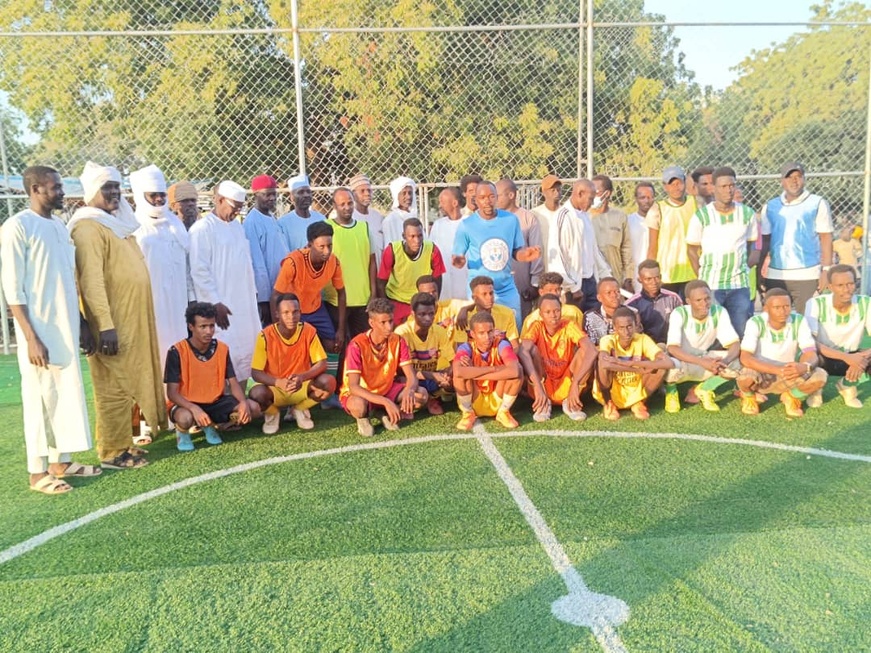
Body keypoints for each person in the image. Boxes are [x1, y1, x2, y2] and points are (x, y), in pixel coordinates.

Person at [1, 165, 101, 494]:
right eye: (55, 187)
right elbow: (12, 288)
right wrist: (30, 338)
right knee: (39, 398)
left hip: (66, 326)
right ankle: (36, 472)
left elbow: (67, 280)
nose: (60, 192)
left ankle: (62, 461)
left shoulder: (58, 226)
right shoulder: (17, 227)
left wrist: (82, 322)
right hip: (39, 331)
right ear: (35, 190)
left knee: (66, 394)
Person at [68, 161, 167, 469]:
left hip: (133, 319)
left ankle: (125, 443)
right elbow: (91, 281)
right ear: (91, 193)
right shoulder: (87, 227)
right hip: (112, 323)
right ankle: (112, 451)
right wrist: (105, 326)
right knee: (112, 386)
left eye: (115, 186)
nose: (113, 192)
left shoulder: (117, 223)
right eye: (106, 188)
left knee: (128, 383)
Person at [189, 180, 261, 387]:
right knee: (225, 350)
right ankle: (225, 408)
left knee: (247, 351)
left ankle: (240, 406)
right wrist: (214, 303)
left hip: (244, 304)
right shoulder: (202, 229)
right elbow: (199, 271)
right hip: (221, 306)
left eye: (240, 208)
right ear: (219, 200)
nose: (237, 212)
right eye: (234, 207)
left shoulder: (237, 227)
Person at [165, 302, 259, 451]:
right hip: (186, 403)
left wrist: (242, 402)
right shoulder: (176, 351)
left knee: (253, 408)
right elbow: (171, 392)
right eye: (203, 326)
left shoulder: (222, 348)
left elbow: (233, 382)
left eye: (211, 326)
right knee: (185, 419)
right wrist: (194, 408)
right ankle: (182, 432)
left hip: (214, 401)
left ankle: (212, 425)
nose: (209, 331)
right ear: (191, 327)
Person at [131, 164, 192, 379]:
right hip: (149, 306)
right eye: (153, 195)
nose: (159, 200)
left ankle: (177, 404)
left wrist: (191, 300)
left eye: (161, 195)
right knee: (153, 355)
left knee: (178, 351)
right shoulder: (133, 227)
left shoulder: (175, 225)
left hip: (177, 307)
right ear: (140, 196)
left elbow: (186, 268)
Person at [452, 181, 540, 328]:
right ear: (476, 200)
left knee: (512, 332)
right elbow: (458, 257)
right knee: (482, 333)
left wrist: (525, 255)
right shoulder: (467, 225)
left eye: (492, 196)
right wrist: (459, 261)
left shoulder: (510, 220)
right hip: (480, 292)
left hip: (506, 288)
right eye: (482, 197)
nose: (487, 201)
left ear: (496, 198)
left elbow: (516, 252)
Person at [249, 293, 336, 434]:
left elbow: (322, 363)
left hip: (301, 385)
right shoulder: (265, 335)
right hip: (275, 388)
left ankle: (299, 409)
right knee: (256, 394)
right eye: (286, 312)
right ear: (277, 314)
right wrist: (278, 382)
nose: (291, 316)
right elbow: (256, 372)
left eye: (295, 312)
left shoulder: (308, 331)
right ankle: (273, 413)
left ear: (300, 312)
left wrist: (302, 377)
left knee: (329, 382)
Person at [686, 166, 757, 339]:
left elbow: (752, 246)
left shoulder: (747, 214)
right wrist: (701, 277)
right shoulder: (702, 216)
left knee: (740, 331)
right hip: (712, 285)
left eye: (732, 185)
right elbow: (692, 250)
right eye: (723, 186)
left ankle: (739, 365)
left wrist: (743, 268)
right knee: (713, 333)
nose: (729, 190)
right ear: (714, 188)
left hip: (739, 285)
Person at [340, 298, 428, 437]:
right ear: (371, 323)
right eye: (383, 322)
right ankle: (364, 418)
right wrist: (385, 401)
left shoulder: (398, 340)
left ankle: (383, 412)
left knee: (421, 395)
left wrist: (409, 390)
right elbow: (353, 387)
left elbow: (411, 375)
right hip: (363, 394)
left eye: (391, 321)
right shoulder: (356, 345)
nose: (389, 327)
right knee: (358, 406)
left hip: (386, 389)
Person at [736, 288, 828, 417]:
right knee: (745, 377)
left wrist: (805, 366)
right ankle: (749, 397)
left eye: (786, 306)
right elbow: (745, 358)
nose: (783, 312)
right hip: (762, 373)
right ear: (766, 308)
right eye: (777, 307)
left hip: (789, 372)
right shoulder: (755, 322)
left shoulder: (799, 321)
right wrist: (777, 370)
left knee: (820, 376)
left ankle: (791, 396)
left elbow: (811, 353)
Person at [760, 162, 834, 313]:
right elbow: (765, 241)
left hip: (807, 275)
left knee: (809, 322)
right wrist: (760, 272)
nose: (794, 181)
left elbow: (826, 237)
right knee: (775, 322)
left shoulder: (817, 203)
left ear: (804, 179)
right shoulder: (771, 206)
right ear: (782, 181)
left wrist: (826, 270)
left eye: (798, 177)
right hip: (776, 274)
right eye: (789, 177)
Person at [664, 280, 742, 413]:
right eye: (698, 300)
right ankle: (671, 391)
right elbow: (672, 348)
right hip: (685, 362)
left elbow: (734, 344)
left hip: (704, 359)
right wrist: (702, 362)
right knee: (669, 364)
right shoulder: (679, 313)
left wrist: (724, 362)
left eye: (707, 299)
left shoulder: (719, 312)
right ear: (688, 301)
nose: (704, 304)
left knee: (738, 362)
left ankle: (705, 388)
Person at [519, 294, 596, 422]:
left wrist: (575, 384)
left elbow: (592, 350)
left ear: (561, 310)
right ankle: (543, 403)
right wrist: (537, 386)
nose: (553, 315)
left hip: (568, 381)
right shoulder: (537, 326)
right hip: (544, 381)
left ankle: (570, 403)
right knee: (530, 349)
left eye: (556, 311)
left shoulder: (569, 325)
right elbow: (522, 351)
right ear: (541, 314)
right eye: (548, 312)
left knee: (585, 351)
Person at [804, 264, 871, 408]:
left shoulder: (866, 302)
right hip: (823, 356)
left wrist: (862, 357)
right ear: (830, 287)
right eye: (840, 285)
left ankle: (847, 385)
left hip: (852, 355)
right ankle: (815, 390)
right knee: (810, 357)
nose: (847, 289)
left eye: (850, 284)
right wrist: (847, 358)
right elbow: (811, 343)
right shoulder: (816, 303)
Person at [594, 306, 672, 421]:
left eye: (630, 326)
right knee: (601, 365)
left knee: (660, 367)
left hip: (636, 388)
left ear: (636, 325)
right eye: (621, 328)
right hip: (613, 391)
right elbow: (604, 364)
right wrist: (638, 369)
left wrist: (622, 363)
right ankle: (608, 403)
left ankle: (639, 402)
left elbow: (668, 363)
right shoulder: (608, 340)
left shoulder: (643, 339)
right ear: (615, 328)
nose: (626, 332)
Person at [453, 312, 524, 430]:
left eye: (490, 332)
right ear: (472, 334)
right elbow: (458, 372)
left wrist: (474, 372)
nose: (487, 337)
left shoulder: (502, 344)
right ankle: (467, 413)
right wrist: (494, 368)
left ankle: (504, 412)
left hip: (497, 396)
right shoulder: (466, 347)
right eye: (481, 333)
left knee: (519, 371)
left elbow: (515, 370)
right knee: (460, 377)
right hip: (474, 398)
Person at [326, 186, 377, 338]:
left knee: (362, 344)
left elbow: (372, 261)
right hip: (335, 299)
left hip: (362, 298)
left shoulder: (364, 228)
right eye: (342, 204)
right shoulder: (327, 227)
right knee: (339, 345)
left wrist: (373, 292)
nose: (347, 207)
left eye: (349, 203)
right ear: (335, 206)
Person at [394, 292, 455, 415]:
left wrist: (448, 374)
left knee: (455, 379)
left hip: (430, 376)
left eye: (431, 313)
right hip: (407, 378)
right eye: (422, 314)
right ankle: (420, 401)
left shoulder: (439, 331)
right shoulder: (402, 333)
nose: (428, 318)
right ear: (413, 314)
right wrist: (432, 375)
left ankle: (433, 398)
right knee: (418, 395)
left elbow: (453, 361)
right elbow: (399, 371)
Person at [377, 217, 447, 322]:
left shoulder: (432, 249)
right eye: (412, 236)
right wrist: (387, 307)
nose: (417, 241)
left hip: (421, 302)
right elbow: (381, 282)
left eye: (420, 236)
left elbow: (437, 278)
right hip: (397, 301)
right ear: (404, 236)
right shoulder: (392, 251)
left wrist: (434, 302)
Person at [550, 179, 603, 312]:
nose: (592, 203)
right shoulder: (563, 216)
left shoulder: (586, 216)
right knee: (574, 326)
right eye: (590, 199)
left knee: (593, 322)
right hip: (572, 287)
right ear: (579, 193)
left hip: (590, 280)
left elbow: (593, 250)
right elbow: (558, 255)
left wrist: (604, 275)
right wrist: (572, 287)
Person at [496, 177, 545, 318]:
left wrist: (534, 284)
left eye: (498, 196)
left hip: (521, 286)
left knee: (521, 324)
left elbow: (536, 253)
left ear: (511, 195)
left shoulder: (528, 218)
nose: (494, 200)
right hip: (498, 285)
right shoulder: (493, 219)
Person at [646, 165, 698, 297]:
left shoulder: (696, 203)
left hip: (693, 270)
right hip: (668, 273)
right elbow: (653, 246)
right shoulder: (657, 209)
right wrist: (650, 272)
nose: (676, 187)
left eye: (679, 182)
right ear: (665, 186)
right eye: (671, 184)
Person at [244, 174, 289, 326]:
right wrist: (264, 299)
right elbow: (257, 264)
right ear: (256, 194)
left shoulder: (271, 217)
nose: (271, 198)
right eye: (266, 194)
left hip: (281, 286)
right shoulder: (252, 221)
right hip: (269, 294)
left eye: (273, 194)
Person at [590, 174, 634, 293]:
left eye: (597, 192)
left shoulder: (620, 216)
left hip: (615, 276)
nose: (593, 195)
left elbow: (626, 248)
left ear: (607, 193)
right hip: (592, 276)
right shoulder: (585, 217)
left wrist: (628, 278)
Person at [625, 260, 683, 345]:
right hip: (643, 350)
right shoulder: (630, 305)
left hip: (672, 347)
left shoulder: (674, 298)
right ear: (639, 280)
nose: (654, 282)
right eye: (648, 279)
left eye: (657, 277)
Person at [454, 276, 520, 349]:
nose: (489, 298)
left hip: (500, 357)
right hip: (473, 358)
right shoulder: (464, 318)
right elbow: (461, 349)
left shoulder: (507, 314)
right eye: (484, 294)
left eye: (491, 293)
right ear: (474, 298)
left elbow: (515, 346)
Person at [430, 187, 468, 300]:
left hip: (465, 278)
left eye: (443, 201)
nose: (439, 205)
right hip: (444, 280)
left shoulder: (469, 223)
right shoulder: (438, 225)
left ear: (455, 203)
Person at [584, 277, 642, 346]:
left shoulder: (632, 313)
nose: (614, 295)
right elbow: (590, 347)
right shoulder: (590, 317)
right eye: (609, 293)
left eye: (617, 292)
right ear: (599, 298)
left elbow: (637, 342)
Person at [277, 174, 326, 252]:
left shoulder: (321, 219)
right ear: (292, 197)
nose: (306, 195)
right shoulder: (283, 223)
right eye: (301, 192)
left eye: (308, 191)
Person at [532, 174, 563, 271]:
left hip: (562, 264)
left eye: (559, 190)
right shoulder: (535, 214)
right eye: (552, 190)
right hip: (543, 264)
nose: (556, 193)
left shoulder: (566, 213)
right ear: (544, 192)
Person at [627, 182, 654, 292]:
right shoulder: (628, 221)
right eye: (642, 197)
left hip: (655, 274)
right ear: (636, 199)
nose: (646, 201)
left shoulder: (662, 221)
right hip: (634, 274)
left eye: (650, 197)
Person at [349, 173, 385, 255]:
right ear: (353, 195)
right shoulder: (350, 218)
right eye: (362, 191)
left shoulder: (377, 216)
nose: (367, 194)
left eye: (369, 190)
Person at [381, 176, 417, 245]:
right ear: (396, 195)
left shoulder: (414, 216)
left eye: (410, 193)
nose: (408, 197)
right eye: (404, 193)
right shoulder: (390, 221)